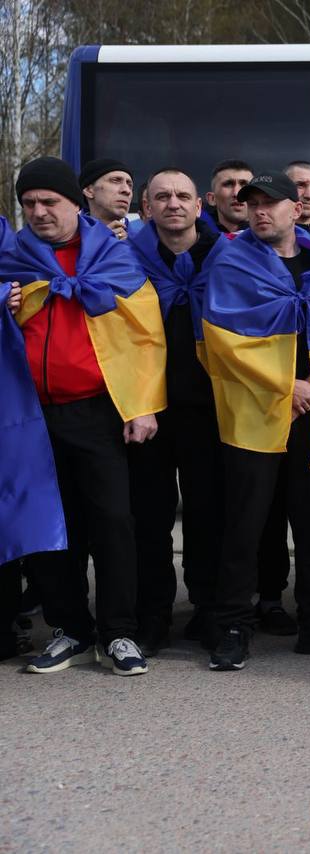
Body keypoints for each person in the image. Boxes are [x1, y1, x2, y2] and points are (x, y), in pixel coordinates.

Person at [1, 156, 166, 676]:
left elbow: (146, 337)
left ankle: (119, 632)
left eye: (49, 201)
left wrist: (141, 405)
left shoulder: (113, 258)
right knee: (50, 530)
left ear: (76, 200)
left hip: (98, 412)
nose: (39, 212)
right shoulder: (12, 259)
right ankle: (69, 628)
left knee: (113, 522)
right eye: (29, 204)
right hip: (29, 416)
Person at [201, 170, 310, 670]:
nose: (260, 211)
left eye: (270, 203)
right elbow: (220, 339)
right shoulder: (230, 258)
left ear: (298, 209)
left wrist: (309, 387)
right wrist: (283, 385)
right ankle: (231, 626)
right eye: (252, 204)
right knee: (245, 526)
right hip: (256, 411)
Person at [127, 168, 228, 655]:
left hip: (210, 408)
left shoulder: (225, 256)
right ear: (146, 207)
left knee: (209, 516)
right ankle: (153, 616)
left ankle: (208, 612)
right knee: (150, 519)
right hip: (147, 408)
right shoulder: (125, 258)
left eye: (182, 196)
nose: (173, 204)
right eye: (162, 196)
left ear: (198, 206)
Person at [79, 158, 133, 240]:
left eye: (130, 185)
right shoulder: (69, 237)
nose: (127, 190)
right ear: (89, 191)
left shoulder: (142, 241)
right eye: (115, 180)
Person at [202, 159, 253, 234]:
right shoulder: (194, 240)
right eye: (228, 184)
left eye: (244, 184)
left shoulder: (271, 239)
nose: (236, 193)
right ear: (212, 199)